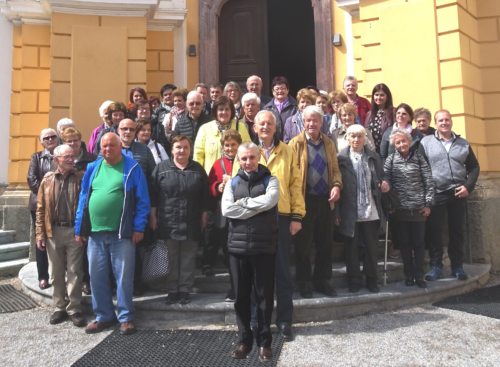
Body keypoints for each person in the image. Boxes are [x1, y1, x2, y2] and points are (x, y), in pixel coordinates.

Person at [75, 133, 150, 335]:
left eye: (112, 145)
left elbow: (143, 201)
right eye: (104, 146)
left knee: (124, 277)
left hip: (122, 234)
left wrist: (138, 227)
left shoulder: (132, 167)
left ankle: (125, 317)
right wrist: (79, 228)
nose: (108, 149)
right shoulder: (93, 167)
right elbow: (83, 198)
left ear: (120, 147)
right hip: (95, 235)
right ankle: (104, 316)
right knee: (97, 277)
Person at [221, 142, 279, 362]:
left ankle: (265, 343)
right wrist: (254, 207)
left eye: (252, 157)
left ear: (259, 157)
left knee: (264, 297)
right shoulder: (232, 182)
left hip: (264, 247)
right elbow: (227, 209)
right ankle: (244, 340)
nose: (248, 162)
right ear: (238, 159)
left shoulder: (270, 180)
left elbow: (271, 200)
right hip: (237, 248)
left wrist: (243, 205)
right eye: (244, 158)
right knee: (241, 298)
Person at [253, 110, 305, 341]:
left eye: (269, 124)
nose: (265, 127)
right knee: (256, 273)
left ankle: (285, 321)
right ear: (254, 127)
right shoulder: (247, 152)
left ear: (276, 127)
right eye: (261, 123)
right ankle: (258, 320)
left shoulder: (287, 150)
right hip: (253, 219)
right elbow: (237, 185)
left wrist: (297, 216)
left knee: (282, 272)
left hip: (281, 216)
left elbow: (296, 184)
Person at [289, 106, 342, 298]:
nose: (312, 124)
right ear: (303, 122)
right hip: (305, 200)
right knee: (303, 244)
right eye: (308, 120)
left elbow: (335, 169)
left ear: (322, 122)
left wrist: (336, 185)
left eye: (315, 120)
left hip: (325, 200)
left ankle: (323, 281)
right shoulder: (295, 143)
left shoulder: (328, 142)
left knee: (325, 243)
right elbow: (292, 174)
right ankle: (304, 282)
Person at [420, 110, 480, 281]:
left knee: (457, 231)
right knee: (435, 231)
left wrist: (468, 186)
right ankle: (436, 266)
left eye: (447, 120)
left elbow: (474, 167)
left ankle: (457, 267)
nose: (444, 123)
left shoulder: (462, 143)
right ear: (435, 123)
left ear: (451, 121)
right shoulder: (426, 142)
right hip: (436, 192)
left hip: (458, 192)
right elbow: (422, 168)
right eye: (440, 120)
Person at [150, 135, 210, 305]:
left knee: (188, 256)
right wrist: (152, 216)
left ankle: (184, 289)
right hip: (168, 220)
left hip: (191, 219)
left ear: (190, 150)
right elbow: (153, 195)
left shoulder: (197, 169)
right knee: (170, 256)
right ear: (172, 149)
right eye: (178, 147)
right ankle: (172, 290)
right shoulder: (161, 168)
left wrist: (205, 215)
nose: (182, 150)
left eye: (185, 147)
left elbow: (205, 196)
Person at [35, 144, 85, 327]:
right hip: (53, 231)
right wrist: (39, 234)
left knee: (75, 272)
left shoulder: (80, 177)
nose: (72, 159)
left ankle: (75, 309)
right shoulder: (47, 180)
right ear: (56, 160)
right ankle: (59, 307)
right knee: (55, 273)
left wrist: (84, 231)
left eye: (72, 156)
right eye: (67, 157)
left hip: (74, 231)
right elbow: (40, 209)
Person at [335, 124, 387, 293]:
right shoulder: (340, 158)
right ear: (347, 139)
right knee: (351, 249)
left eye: (359, 136)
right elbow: (336, 185)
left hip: (370, 209)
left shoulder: (373, 157)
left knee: (372, 248)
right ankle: (354, 280)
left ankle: (372, 279)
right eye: (353, 136)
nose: (356, 139)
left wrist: (384, 183)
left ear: (365, 138)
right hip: (349, 210)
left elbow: (382, 177)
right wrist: (336, 212)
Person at [383, 128, 434, 288]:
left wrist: (428, 204)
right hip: (400, 210)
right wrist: (390, 200)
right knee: (405, 244)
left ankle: (419, 276)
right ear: (394, 145)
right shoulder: (390, 160)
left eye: (404, 141)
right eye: (398, 142)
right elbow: (386, 181)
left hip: (419, 209)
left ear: (409, 141)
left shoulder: (419, 158)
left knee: (419, 244)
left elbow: (429, 181)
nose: (401, 144)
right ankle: (409, 275)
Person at [203, 130, 242, 299]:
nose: (230, 148)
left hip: (239, 206)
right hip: (221, 206)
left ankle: (230, 263)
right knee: (216, 235)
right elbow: (210, 183)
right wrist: (217, 186)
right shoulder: (218, 164)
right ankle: (208, 264)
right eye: (227, 145)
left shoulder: (244, 161)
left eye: (233, 145)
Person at [61, 127, 96, 295]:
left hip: (87, 208)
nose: (73, 143)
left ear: (80, 140)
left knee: (87, 249)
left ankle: (87, 281)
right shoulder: (63, 160)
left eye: (75, 140)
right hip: (68, 210)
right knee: (72, 252)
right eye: (69, 141)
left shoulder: (91, 159)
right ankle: (75, 282)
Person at [27, 128, 59, 290]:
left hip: (60, 207)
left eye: (53, 136)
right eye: (46, 137)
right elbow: (32, 180)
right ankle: (43, 276)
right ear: (42, 141)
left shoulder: (63, 155)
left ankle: (60, 274)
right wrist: (49, 195)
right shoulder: (37, 157)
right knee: (41, 241)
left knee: (59, 239)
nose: (50, 139)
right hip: (39, 206)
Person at [194, 95, 251, 173]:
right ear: (215, 111)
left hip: (236, 177)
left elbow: (248, 151)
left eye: (227, 109)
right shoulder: (204, 129)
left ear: (231, 111)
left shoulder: (241, 127)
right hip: (212, 178)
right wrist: (199, 175)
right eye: (220, 109)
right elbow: (198, 156)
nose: (224, 112)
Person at [364, 83, 395, 153]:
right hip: (372, 152)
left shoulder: (393, 112)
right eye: (376, 95)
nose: (378, 98)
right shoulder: (369, 113)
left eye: (382, 95)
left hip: (387, 151)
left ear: (387, 97)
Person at [264, 76, 298, 140]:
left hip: (291, 143)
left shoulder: (295, 106)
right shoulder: (267, 108)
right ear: (273, 91)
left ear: (287, 90)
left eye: (283, 88)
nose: (280, 91)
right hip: (273, 143)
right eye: (277, 89)